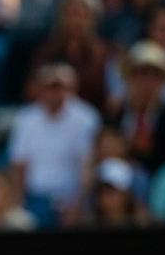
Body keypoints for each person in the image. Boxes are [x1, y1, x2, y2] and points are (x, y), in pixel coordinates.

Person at [8, 63, 100, 211]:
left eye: (60, 87)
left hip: (70, 198)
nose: (54, 92)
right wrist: (19, 203)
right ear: (40, 88)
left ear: (72, 88)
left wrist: (79, 202)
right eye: (50, 86)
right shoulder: (25, 119)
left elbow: (87, 165)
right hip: (35, 197)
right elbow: (18, 165)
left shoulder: (86, 118)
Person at [107, 40, 165, 172]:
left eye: (154, 75)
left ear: (162, 81)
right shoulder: (115, 116)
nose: (147, 83)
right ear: (129, 77)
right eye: (141, 74)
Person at [84, 157, 148, 227]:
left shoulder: (143, 225)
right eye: (101, 193)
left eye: (112, 192)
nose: (106, 199)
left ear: (126, 194)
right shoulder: (87, 225)